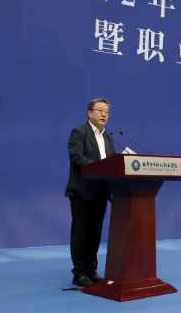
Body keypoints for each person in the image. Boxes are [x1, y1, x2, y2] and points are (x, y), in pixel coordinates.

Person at [65, 98, 116, 287]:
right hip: (83, 190)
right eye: (100, 110)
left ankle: (91, 270)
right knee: (81, 233)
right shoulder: (79, 132)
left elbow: (112, 160)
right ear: (89, 112)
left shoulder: (108, 137)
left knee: (95, 234)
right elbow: (77, 157)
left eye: (107, 112)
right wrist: (100, 168)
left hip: (101, 191)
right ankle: (79, 273)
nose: (104, 114)